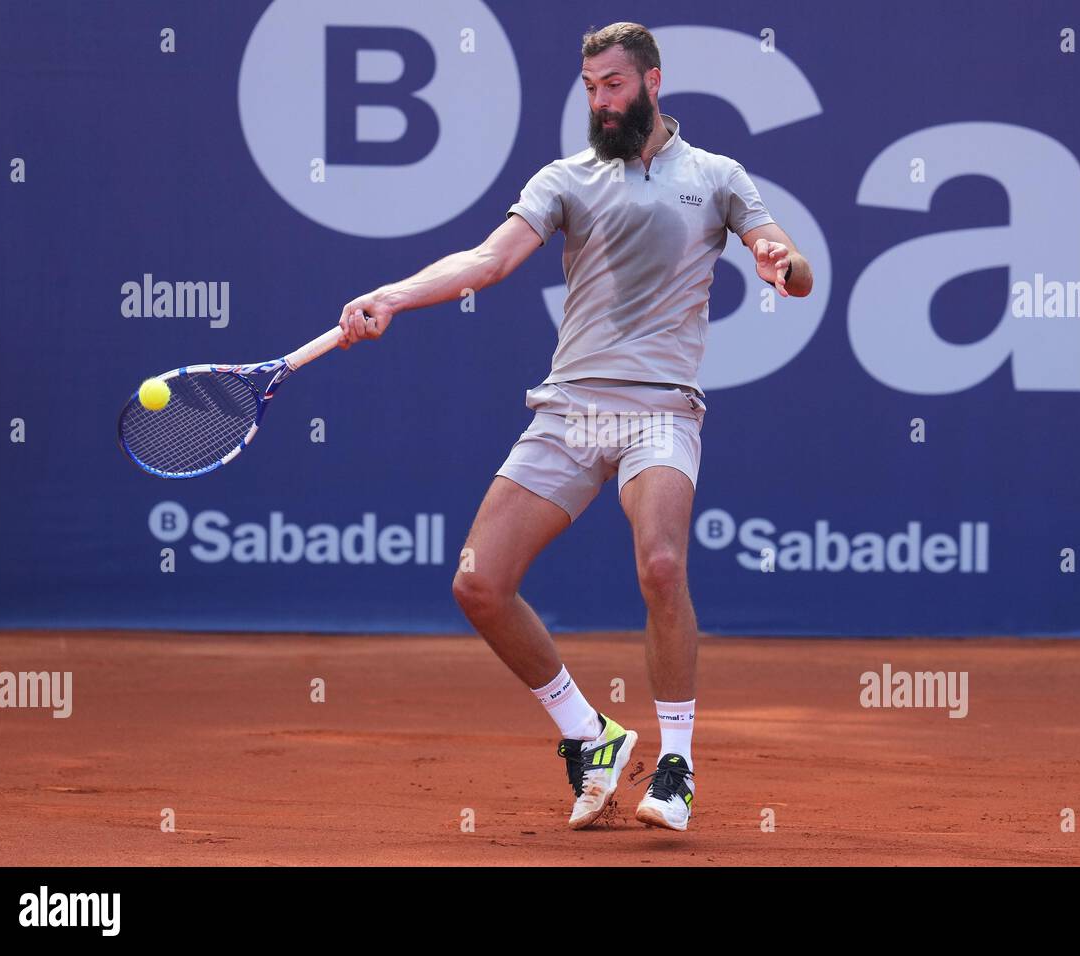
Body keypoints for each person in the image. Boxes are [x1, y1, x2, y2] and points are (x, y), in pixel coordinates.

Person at [337, 21, 813, 832]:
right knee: (479, 584)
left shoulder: (717, 176)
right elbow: (486, 261)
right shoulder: (566, 179)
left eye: (614, 85)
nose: (600, 101)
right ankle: (590, 735)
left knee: (662, 565)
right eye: (590, 87)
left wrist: (778, 259)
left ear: (652, 82)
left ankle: (677, 761)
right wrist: (393, 294)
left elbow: (792, 268)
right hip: (570, 410)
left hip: (661, 409)